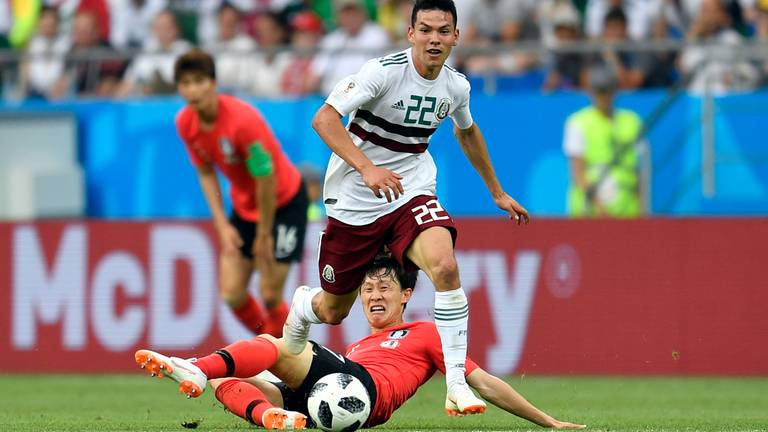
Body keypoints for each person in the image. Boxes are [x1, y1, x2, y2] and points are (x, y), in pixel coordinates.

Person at [282, 0, 530, 416]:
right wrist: (367, 168)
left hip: (410, 190)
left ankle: (455, 384)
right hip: (356, 199)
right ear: (410, 33)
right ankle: (302, 304)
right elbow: (324, 119)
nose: (435, 39)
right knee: (333, 310)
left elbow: (466, 132)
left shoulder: (456, 86)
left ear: (456, 36)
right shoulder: (382, 73)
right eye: (426, 30)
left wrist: (497, 191)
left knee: (445, 267)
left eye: (443, 31)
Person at [134, 258, 586, 431]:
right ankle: (272, 417)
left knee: (280, 345)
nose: (373, 296)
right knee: (234, 380)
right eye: (367, 289)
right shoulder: (357, 344)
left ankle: (196, 365)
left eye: (385, 288)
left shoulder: (426, 332)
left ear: (407, 295)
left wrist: (547, 422)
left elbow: (482, 383)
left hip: (361, 391)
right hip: (334, 402)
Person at [173, 49, 309, 337]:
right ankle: (269, 345)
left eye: (199, 81)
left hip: (283, 202)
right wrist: (222, 225)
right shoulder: (185, 123)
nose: (193, 90)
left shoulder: (243, 121)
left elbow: (267, 179)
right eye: (185, 83)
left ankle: (287, 357)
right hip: (245, 207)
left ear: (213, 82)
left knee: (270, 294)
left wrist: (263, 233)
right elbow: (206, 171)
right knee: (232, 293)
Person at [563, 65, 645, 218]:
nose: (604, 96)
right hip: (591, 212)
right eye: (599, 91)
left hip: (628, 211)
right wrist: (600, 206)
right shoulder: (577, 122)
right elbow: (578, 174)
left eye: (607, 90)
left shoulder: (632, 121)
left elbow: (639, 173)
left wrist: (642, 211)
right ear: (591, 92)